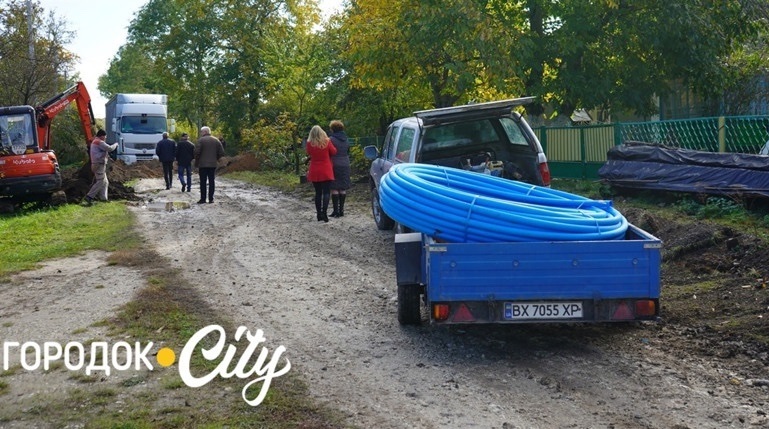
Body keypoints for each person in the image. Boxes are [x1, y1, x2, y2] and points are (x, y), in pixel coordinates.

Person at [305, 125, 337, 222]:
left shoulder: (309, 144)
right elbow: (334, 152)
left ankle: (319, 214)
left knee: (318, 193)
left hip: (314, 169)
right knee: (326, 192)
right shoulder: (327, 142)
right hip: (326, 169)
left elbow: (308, 153)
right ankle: (325, 213)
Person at [84, 129, 118, 205]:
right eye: (105, 136)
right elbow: (109, 148)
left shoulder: (96, 141)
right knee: (100, 181)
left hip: (98, 164)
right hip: (98, 164)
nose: (105, 138)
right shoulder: (99, 142)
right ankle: (89, 196)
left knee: (105, 182)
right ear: (102, 136)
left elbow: (103, 152)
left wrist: (109, 159)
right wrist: (115, 144)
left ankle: (104, 198)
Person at [194, 126, 225, 204]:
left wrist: (197, 161)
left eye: (201, 132)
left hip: (202, 165)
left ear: (204, 132)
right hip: (213, 164)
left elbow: (197, 152)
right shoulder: (216, 140)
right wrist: (216, 158)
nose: (201, 133)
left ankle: (203, 199)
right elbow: (221, 152)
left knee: (203, 182)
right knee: (211, 181)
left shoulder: (201, 140)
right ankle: (211, 198)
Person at [328, 120, 351, 217]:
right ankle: (341, 211)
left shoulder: (331, 139)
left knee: (334, 187)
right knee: (342, 187)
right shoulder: (346, 139)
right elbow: (348, 151)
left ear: (332, 129)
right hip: (345, 163)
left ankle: (335, 211)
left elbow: (329, 151)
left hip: (334, 163)